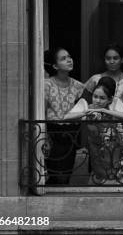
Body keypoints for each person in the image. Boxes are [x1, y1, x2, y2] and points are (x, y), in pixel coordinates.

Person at [65, 76, 123, 184]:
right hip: (96, 150)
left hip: (114, 149)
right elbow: (66, 117)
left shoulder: (115, 104)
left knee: (113, 178)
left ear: (110, 99)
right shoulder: (87, 106)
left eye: (102, 98)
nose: (97, 100)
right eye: (95, 96)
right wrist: (86, 112)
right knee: (98, 177)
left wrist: (103, 110)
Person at [43, 47, 85, 184]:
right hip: (53, 134)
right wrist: (44, 138)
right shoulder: (46, 85)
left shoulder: (78, 86)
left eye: (69, 57)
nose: (69, 60)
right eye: (63, 58)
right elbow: (41, 112)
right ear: (55, 66)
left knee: (65, 176)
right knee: (56, 177)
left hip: (71, 136)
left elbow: (86, 108)